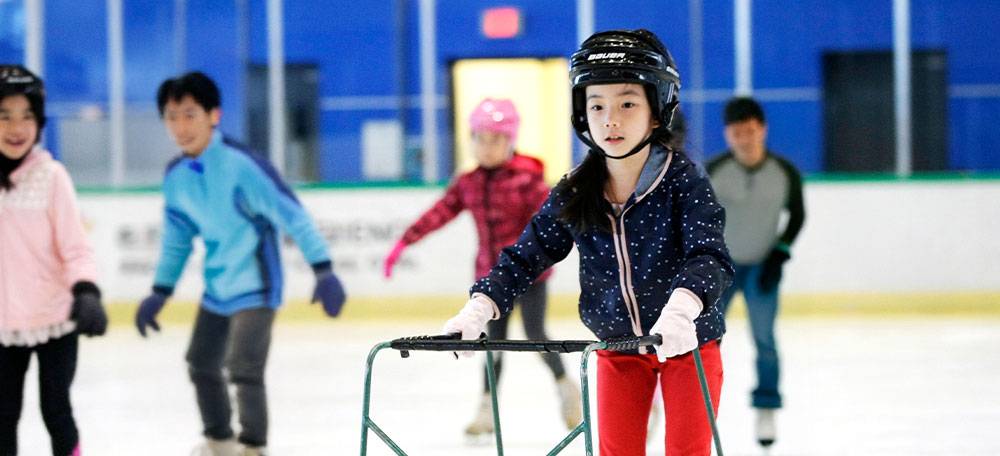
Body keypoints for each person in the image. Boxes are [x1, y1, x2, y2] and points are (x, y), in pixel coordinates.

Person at [441, 30, 734, 456]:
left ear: (657, 110)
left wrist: (683, 309)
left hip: (688, 345)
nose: (610, 119)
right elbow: (525, 257)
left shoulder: (683, 181)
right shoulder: (576, 190)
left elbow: (709, 255)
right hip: (619, 350)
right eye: (597, 105)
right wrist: (479, 308)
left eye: (627, 103)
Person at [135, 71, 346, 456]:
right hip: (218, 286)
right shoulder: (177, 177)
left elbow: (292, 215)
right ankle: (219, 440)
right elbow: (177, 239)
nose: (181, 126)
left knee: (243, 368)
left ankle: (253, 446)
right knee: (200, 362)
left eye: (189, 114)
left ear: (213, 115)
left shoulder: (241, 166)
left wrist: (324, 270)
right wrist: (159, 292)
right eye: (171, 116)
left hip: (257, 284)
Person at [382, 98, 582, 438]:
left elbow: (556, 225)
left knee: (536, 334)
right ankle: (486, 410)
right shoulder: (468, 182)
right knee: (492, 341)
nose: (487, 147)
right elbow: (440, 212)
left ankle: (567, 393)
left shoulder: (528, 181)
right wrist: (405, 241)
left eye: (496, 139)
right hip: (490, 280)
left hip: (530, 275)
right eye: (480, 139)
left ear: (510, 140)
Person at [0, 65, 108, 456]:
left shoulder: (52, 176)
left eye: (27, 116)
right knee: (2, 415)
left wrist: (86, 290)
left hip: (54, 318)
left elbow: (76, 246)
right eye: (5, 115)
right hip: (3, 326)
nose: (17, 127)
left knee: (56, 410)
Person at [706, 96, 805, 448]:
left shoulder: (785, 172)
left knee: (764, 340)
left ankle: (766, 405)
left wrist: (780, 253)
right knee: (704, 340)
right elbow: (696, 218)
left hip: (762, 266)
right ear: (727, 134)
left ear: (761, 129)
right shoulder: (713, 170)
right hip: (719, 268)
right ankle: (699, 405)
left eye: (749, 131)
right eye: (736, 133)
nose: (743, 139)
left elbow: (797, 215)